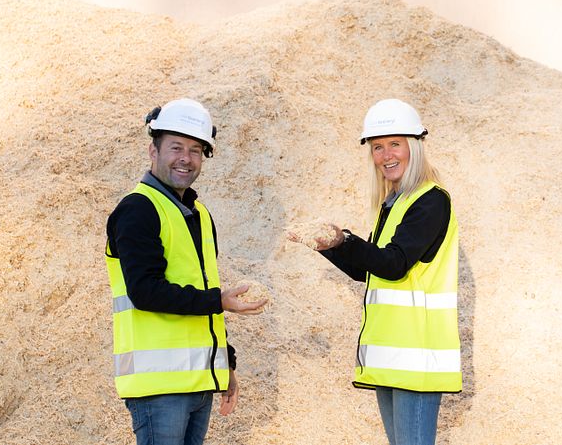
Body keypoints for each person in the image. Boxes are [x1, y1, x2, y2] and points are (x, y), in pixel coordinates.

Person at [288, 99, 462, 445]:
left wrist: (345, 239)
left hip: (418, 357)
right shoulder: (395, 202)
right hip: (393, 357)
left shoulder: (430, 200)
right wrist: (327, 244)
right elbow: (366, 270)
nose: (385, 155)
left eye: (395, 144)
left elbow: (395, 264)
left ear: (414, 146)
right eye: (378, 147)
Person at [105, 98, 267, 445]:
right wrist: (220, 301)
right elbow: (145, 290)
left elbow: (202, 290)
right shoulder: (138, 209)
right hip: (159, 387)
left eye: (196, 150)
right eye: (176, 147)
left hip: (198, 381)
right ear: (154, 150)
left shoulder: (199, 215)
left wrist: (226, 361)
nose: (186, 158)